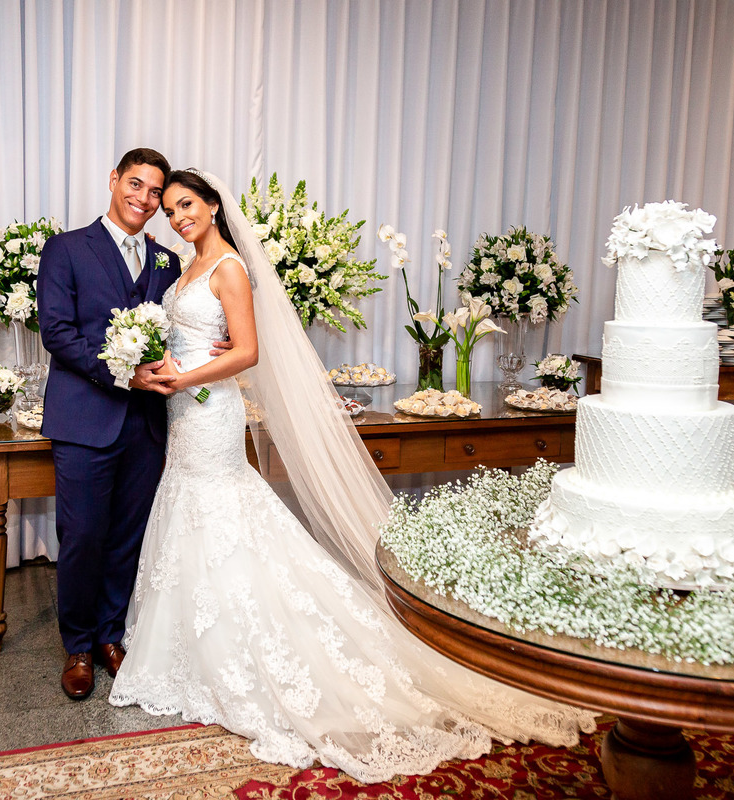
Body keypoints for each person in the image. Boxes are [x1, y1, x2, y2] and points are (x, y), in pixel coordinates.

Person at [107, 168, 597, 783]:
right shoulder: (185, 266)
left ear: (211, 206)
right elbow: (194, 338)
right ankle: (191, 647)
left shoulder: (228, 266)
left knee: (221, 508)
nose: (177, 217)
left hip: (208, 409)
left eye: (186, 205)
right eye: (170, 209)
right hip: (183, 411)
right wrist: (156, 366)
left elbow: (247, 351)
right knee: (190, 505)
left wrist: (185, 378)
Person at [37, 148, 183, 700]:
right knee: (82, 537)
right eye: (135, 185)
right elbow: (57, 332)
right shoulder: (67, 248)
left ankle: (109, 636)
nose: (143, 199)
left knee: (128, 537)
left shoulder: (168, 261)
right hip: (85, 421)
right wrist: (121, 376)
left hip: (145, 426)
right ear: (113, 180)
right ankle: (76, 645)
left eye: (154, 192)